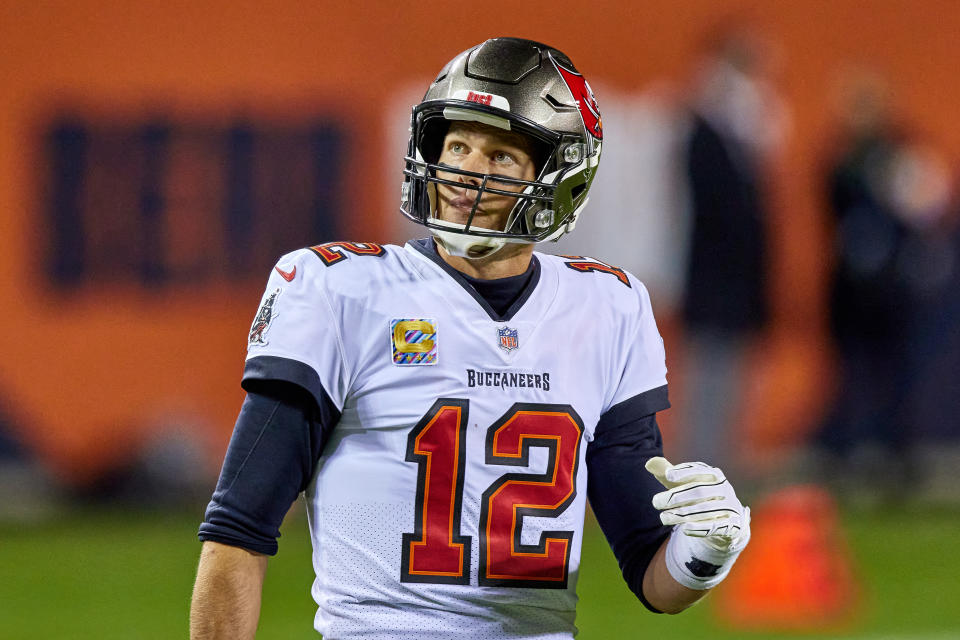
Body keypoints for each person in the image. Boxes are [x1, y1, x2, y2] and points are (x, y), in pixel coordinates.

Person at [190, 38, 751, 640]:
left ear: (560, 177)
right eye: (456, 145)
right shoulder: (341, 291)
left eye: (500, 155)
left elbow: (651, 575)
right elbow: (236, 533)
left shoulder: (608, 307)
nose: (465, 172)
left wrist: (703, 553)